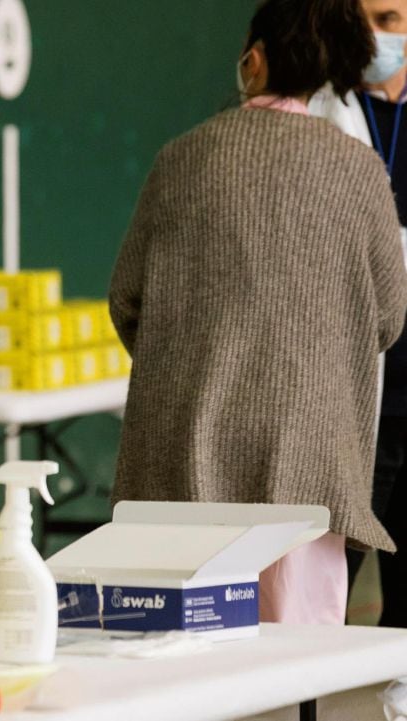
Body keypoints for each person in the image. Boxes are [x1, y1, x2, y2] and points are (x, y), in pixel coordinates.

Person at [109, 0, 407, 625]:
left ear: (256, 57)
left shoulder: (180, 159)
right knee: (295, 664)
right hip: (311, 454)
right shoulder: (360, 170)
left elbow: (127, 301)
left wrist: (195, 357)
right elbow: (389, 316)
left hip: (183, 452)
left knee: (177, 651)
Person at [310, 0, 407, 628]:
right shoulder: (321, 112)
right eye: (364, 19)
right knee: (325, 574)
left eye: (390, 20)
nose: (375, 38)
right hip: (345, 392)